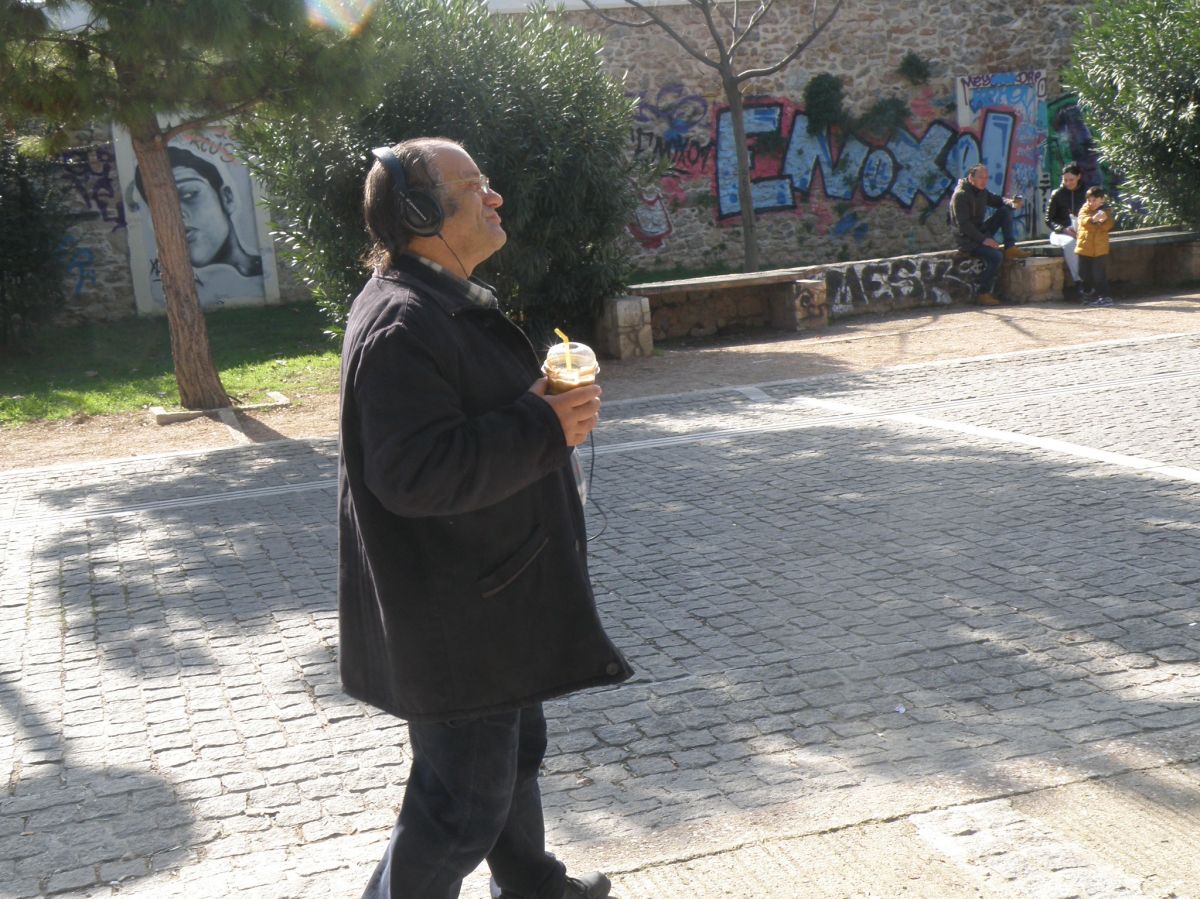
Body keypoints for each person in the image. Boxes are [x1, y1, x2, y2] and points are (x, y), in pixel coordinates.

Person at [337, 136, 632, 899]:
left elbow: (460, 424)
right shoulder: (404, 323)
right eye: (474, 186)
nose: (494, 196)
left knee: (512, 755)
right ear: (420, 212)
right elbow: (412, 473)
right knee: (460, 806)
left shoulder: (437, 301)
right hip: (456, 618)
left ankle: (533, 886)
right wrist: (541, 426)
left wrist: (540, 408)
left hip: (490, 596)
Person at [133, 145, 263, 278]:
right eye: (161, 206)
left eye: (189, 194)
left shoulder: (266, 268)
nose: (177, 214)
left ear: (227, 198)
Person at [948, 163, 1029, 306]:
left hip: (980, 232)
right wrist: (984, 240)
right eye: (981, 177)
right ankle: (983, 293)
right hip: (967, 239)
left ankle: (1010, 247)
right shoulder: (961, 195)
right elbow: (964, 225)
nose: (984, 181)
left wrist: (1012, 203)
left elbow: (999, 201)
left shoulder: (982, 192)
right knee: (996, 256)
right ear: (971, 178)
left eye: (986, 178)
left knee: (1005, 211)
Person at [1045, 163, 1087, 296]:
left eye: (1071, 180)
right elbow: (1049, 219)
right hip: (1060, 233)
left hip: (1082, 231)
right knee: (1071, 244)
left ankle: (1095, 282)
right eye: (1065, 180)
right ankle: (1079, 281)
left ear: (1078, 177)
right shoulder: (1057, 194)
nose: (1068, 183)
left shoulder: (1086, 193)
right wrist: (1064, 229)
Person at [1076, 185, 1115, 307]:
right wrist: (1093, 220)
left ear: (1102, 200)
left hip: (1100, 249)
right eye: (1089, 200)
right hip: (1085, 247)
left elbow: (1109, 225)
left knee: (1099, 274)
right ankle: (1087, 295)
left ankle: (1104, 296)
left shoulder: (1107, 211)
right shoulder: (1084, 209)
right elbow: (1083, 221)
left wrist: (1103, 221)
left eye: (1094, 200)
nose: (1091, 203)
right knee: (1084, 273)